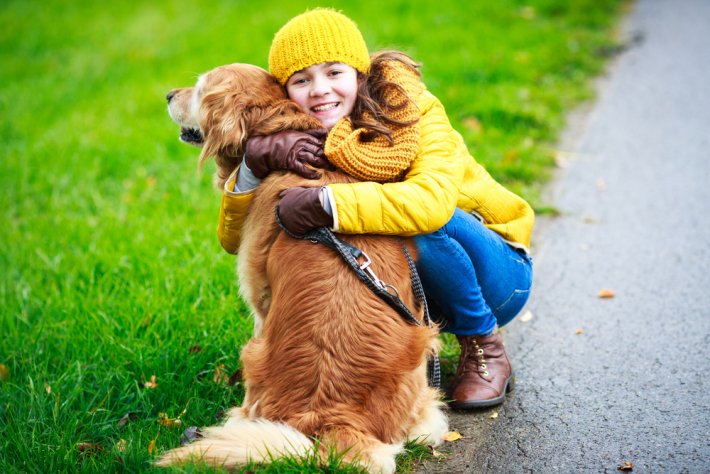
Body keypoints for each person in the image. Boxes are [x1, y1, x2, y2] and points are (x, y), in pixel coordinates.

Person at [217, 8, 534, 409]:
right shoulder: (301, 137)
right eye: (301, 80)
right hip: (403, 290)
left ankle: (484, 347)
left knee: (415, 223)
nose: (319, 90)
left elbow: (430, 205)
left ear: (359, 73)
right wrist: (252, 168)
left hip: (496, 276)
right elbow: (234, 242)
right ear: (286, 92)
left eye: (334, 72)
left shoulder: (412, 108)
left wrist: (326, 202)